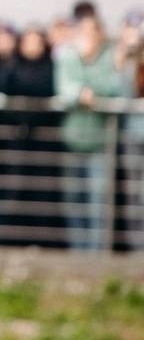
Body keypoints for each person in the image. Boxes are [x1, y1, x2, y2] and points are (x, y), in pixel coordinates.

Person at [55, 13, 123, 250]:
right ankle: (78, 251)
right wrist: (81, 93)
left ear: (99, 33)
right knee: (74, 201)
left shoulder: (110, 57)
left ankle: (97, 252)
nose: (86, 36)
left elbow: (114, 87)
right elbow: (64, 89)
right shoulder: (69, 56)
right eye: (82, 31)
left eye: (90, 31)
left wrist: (88, 88)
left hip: (100, 142)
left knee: (98, 202)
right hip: (73, 140)